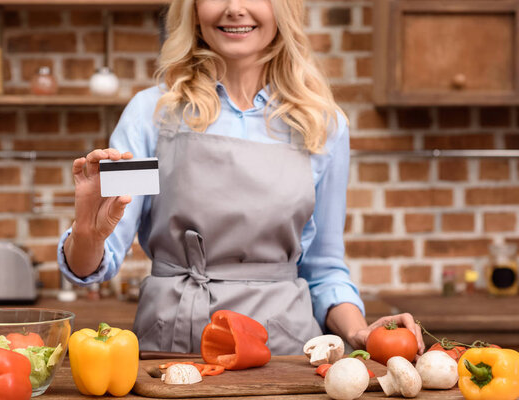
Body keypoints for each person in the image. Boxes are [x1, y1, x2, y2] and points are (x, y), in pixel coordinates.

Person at [58, 0, 425, 356]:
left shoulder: (324, 126)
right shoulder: (148, 115)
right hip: (173, 346)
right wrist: (88, 232)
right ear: (195, 8)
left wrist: (358, 331)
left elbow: (324, 267)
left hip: (285, 352)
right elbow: (93, 266)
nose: (235, 8)